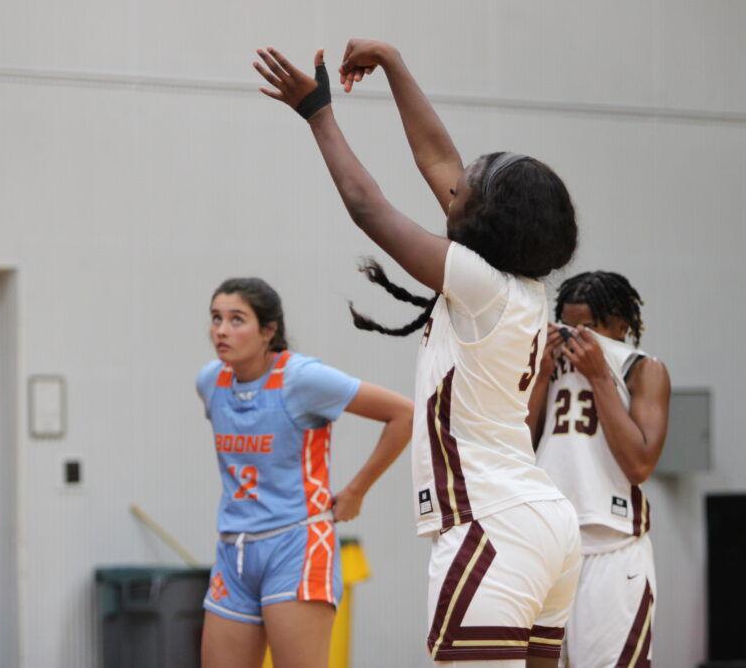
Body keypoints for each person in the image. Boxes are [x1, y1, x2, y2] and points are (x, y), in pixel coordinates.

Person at [253, 39, 581, 667]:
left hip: (492, 524)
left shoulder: (482, 287)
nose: (454, 184)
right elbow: (438, 158)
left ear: (482, 217)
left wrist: (318, 113)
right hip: (543, 524)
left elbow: (366, 207)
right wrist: (394, 64)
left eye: (467, 186)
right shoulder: (521, 288)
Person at [198, 277, 412, 668]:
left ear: (268, 331)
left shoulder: (302, 380)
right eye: (216, 318)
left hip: (295, 545)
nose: (222, 330)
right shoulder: (211, 381)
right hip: (234, 550)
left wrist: (356, 491)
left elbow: (404, 413)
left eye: (236, 319)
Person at [527, 271, 670, 668]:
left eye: (588, 327)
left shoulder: (643, 370)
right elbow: (516, 451)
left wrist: (598, 376)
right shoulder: (547, 364)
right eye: (568, 325)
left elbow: (639, 463)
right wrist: (540, 375)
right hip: (550, 545)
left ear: (620, 326)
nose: (576, 337)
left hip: (613, 546)